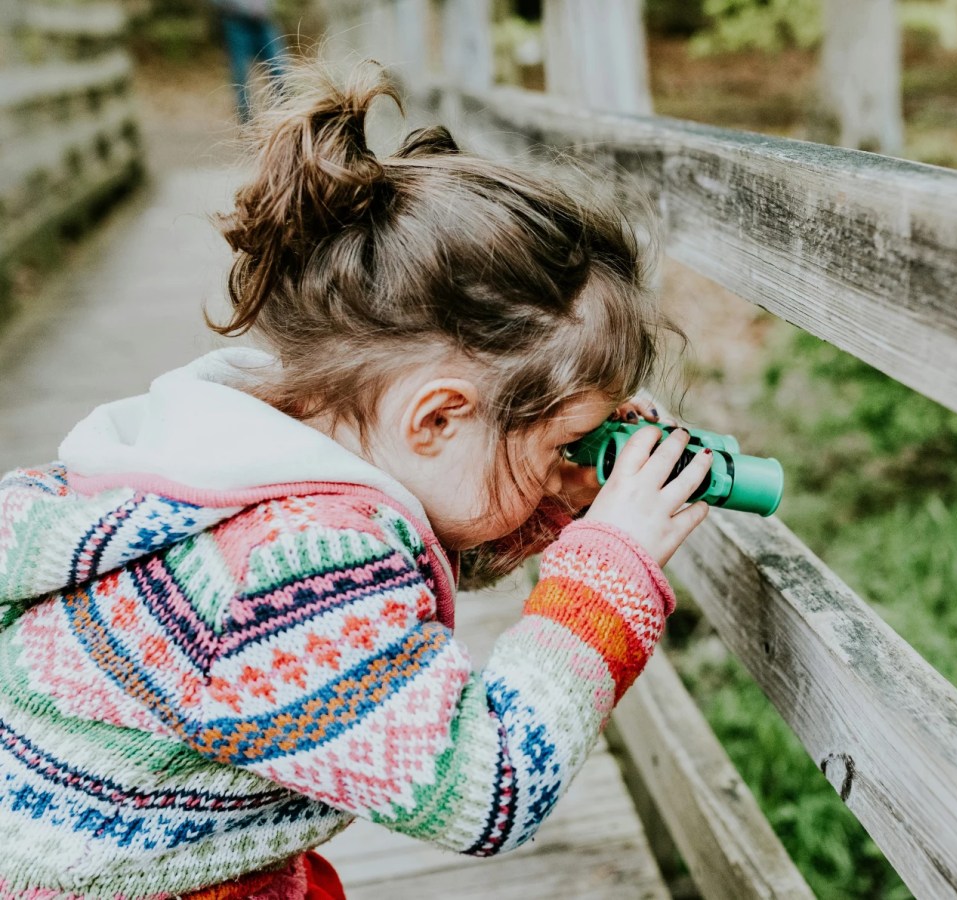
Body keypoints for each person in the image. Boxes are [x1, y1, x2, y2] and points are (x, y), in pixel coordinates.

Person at [0, 62, 712, 899]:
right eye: (569, 441)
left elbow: (414, 546)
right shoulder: (298, 567)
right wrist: (609, 568)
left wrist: (553, 499)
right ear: (439, 418)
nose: (576, 464)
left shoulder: (248, 455)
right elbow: (487, 791)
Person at [211, 0, 289, 124]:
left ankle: (286, 115)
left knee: (279, 68)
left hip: (264, 22)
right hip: (236, 23)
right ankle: (247, 123)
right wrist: (241, 8)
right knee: (241, 75)